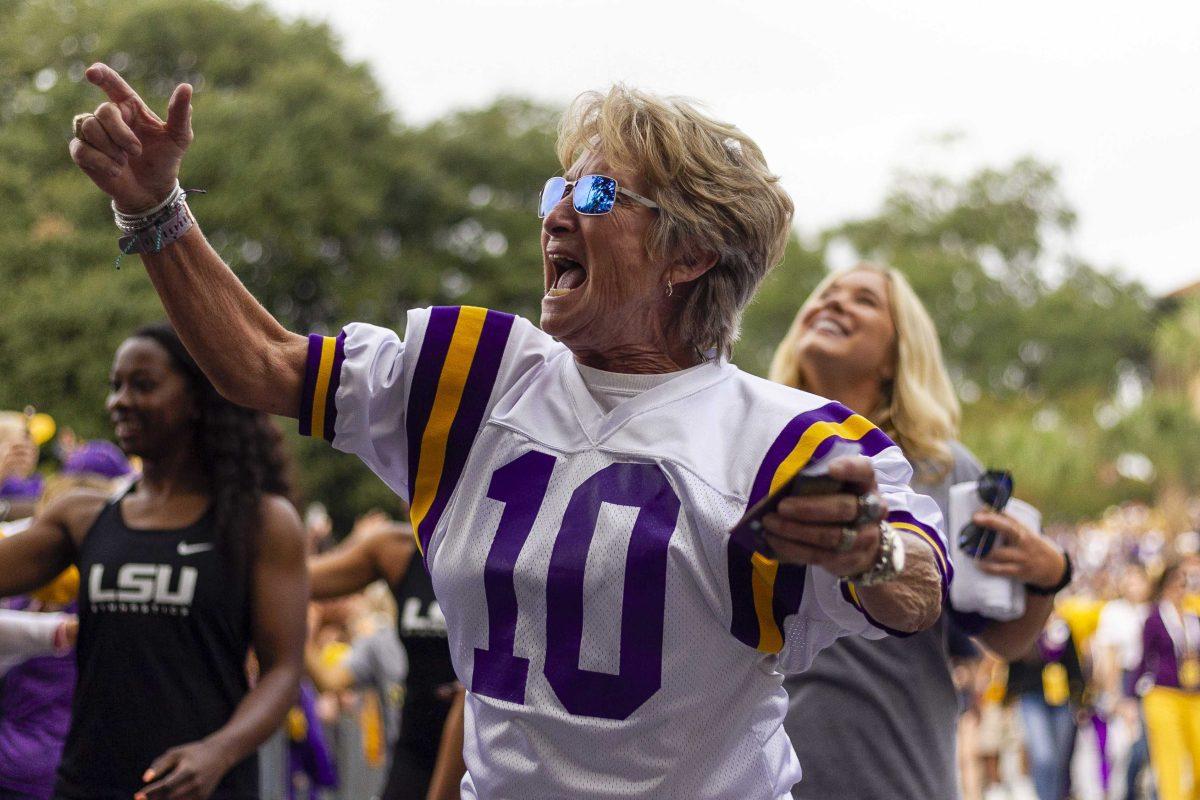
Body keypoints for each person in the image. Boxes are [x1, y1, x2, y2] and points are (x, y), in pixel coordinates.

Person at [69, 66, 948, 799]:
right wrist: (156, 213)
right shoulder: (476, 373)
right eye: (556, 187)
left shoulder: (784, 437)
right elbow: (261, 363)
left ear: (690, 255)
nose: (557, 213)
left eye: (598, 192)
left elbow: (918, 591)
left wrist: (866, 553)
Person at [770, 263, 1072, 799]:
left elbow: (1001, 638)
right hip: (756, 769)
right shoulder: (753, 444)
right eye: (824, 296)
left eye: (863, 300)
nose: (832, 304)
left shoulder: (942, 470)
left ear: (896, 355)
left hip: (893, 768)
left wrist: (1049, 578)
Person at [0, 323, 308, 800]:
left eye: (142, 385)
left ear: (200, 398)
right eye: (115, 386)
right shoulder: (81, 516)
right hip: (86, 784)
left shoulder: (263, 522)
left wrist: (218, 752)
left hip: (203, 786)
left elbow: (283, 671)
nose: (119, 401)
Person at [307, 512, 459, 800]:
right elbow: (294, 578)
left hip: (477, 744)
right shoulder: (395, 549)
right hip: (414, 748)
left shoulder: (497, 547)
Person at [1007, 613, 1086, 800]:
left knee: (1060, 758)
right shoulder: (1024, 625)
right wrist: (1010, 696)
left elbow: (1074, 665)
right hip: (1032, 697)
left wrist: (1080, 698)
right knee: (1044, 755)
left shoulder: (1063, 627)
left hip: (1061, 700)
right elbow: (1014, 664)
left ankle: (1056, 795)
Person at [1140, 560, 1200, 800]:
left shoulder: (1194, 616)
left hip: (1194, 695)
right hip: (1164, 694)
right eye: (1179, 581)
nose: (1183, 587)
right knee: (1170, 764)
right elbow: (1144, 660)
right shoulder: (1155, 618)